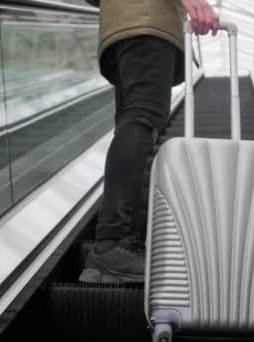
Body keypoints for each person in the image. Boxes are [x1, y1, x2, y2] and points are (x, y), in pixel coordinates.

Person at [79, 0, 220, 283]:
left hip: (123, 23)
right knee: (143, 116)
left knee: (135, 121)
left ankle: (119, 244)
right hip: (146, 20)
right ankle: (111, 245)